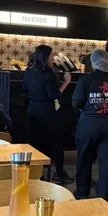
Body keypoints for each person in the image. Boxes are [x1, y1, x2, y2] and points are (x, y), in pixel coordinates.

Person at [72, 49, 108, 200]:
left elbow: (76, 103)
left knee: (84, 160)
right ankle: (103, 198)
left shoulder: (85, 80)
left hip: (88, 125)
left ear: (94, 63)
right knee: (107, 163)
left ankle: (82, 194)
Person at [23, 45, 72, 185]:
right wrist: (66, 82)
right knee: (56, 143)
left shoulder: (28, 73)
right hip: (47, 111)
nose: (54, 58)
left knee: (35, 143)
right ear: (46, 57)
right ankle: (60, 173)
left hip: (33, 110)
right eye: (52, 55)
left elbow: (24, 91)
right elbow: (55, 95)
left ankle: (36, 174)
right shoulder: (50, 74)